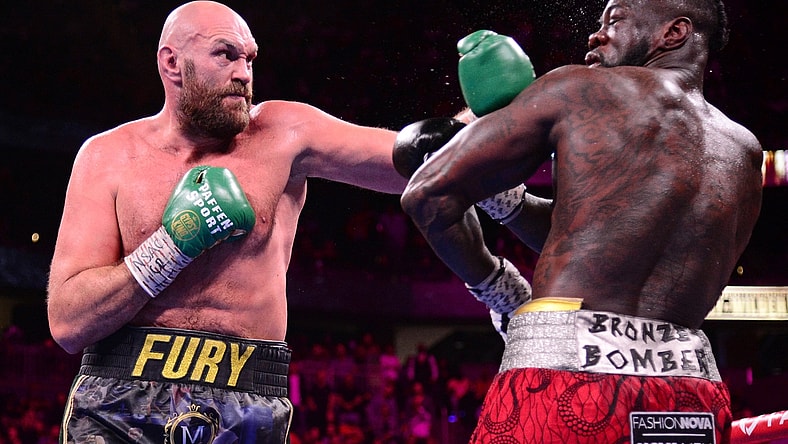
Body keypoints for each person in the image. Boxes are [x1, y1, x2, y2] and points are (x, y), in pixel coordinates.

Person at [400, 0, 763, 443]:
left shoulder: (578, 87)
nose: (595, 35)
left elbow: (427, 193)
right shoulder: (744, 149)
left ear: (674, 33)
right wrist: (508, 202)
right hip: (689, 390)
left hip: (567, 374)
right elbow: (603, 233)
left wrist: (502, 290)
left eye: (614, 20)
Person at [45, 2, 406, 443]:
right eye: (226, 54)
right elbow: (67, 324)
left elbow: (412, 159)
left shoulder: (285, 133)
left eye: (250, 58)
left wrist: (492, 118)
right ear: (172, 62)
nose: (244, 73)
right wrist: (172, 246)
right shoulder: (107, 157)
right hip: (117, 401)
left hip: (245, 395)